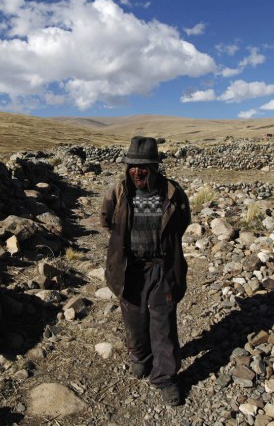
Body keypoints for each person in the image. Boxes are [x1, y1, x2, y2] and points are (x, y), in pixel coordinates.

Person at [100, 136, 191, 406]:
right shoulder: (119, 192)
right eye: (133, 166)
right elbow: (106, 220)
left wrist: (161, 247)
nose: (137, 171)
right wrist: (122, 246)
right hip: (130, 269)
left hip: (162, 268)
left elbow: (183, 221)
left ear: (155, 167)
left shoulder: (172, 192)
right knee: (134, 319)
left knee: (162, 325)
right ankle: (140, 358)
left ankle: (165, 378)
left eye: (144, 167)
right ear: (127, 167)